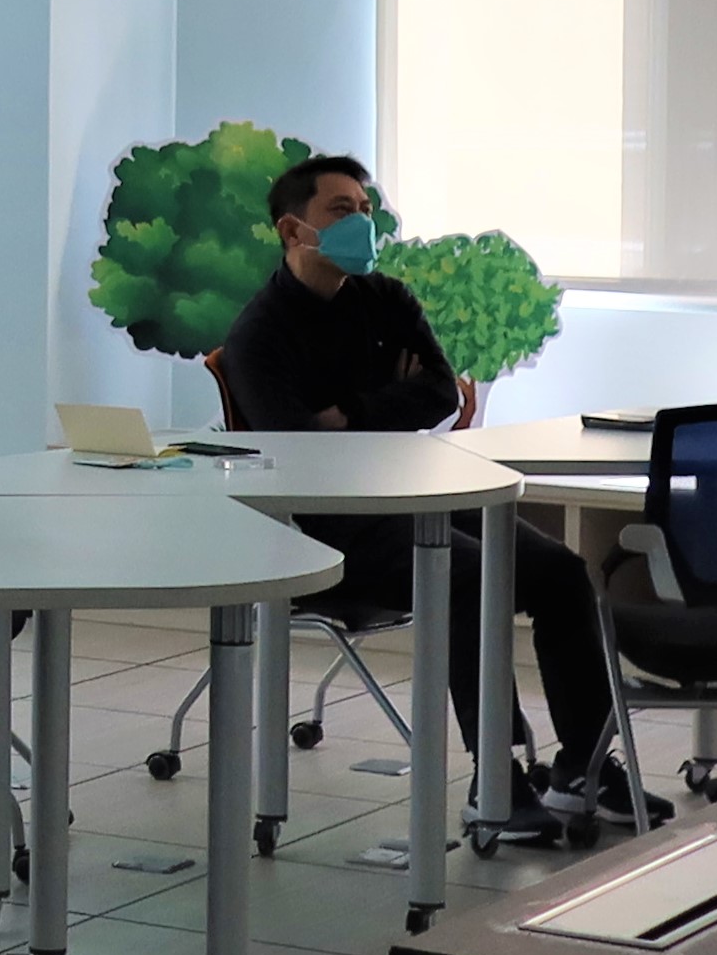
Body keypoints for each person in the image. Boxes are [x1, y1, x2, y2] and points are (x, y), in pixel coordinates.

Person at [217, 152, 626, 827]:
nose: (362, 223)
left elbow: (440, 392)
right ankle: (496, 777)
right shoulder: (259, 334)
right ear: (293, 230)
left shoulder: (386, 299)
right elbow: (299, 446)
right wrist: (386, 399)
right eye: (341, 211)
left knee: (561, 572)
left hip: (416, 493)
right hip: (332, 527)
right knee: (468, 577)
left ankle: (585, 763)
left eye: (366, 209)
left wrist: (349, 410)